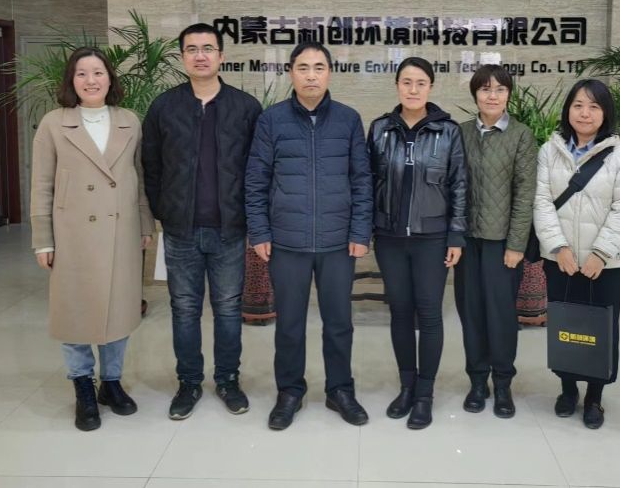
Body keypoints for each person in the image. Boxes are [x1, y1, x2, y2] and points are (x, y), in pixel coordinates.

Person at [245, 40, 373, 431]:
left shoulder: (348, 119)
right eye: (303, 68)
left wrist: (360, 231)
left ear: (330, 73)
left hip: (338, 243)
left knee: (339, 323)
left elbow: (362, 180)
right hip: (287, 242)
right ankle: (289, 391)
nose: (311, 75)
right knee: (289, 325)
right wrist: (259, 231)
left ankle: (340, 390)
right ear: (291, 73)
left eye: (319, 67)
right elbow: (256, 180)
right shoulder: (271, 120)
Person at [142, 23, 262, 420]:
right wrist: (164, 210)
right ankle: (189, 382)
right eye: (191, 49)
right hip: (181, 231)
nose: (200, 55)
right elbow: (151, 166)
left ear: (221, 56)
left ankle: (228, 380)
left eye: (208, 48)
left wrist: (252, 219)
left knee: (228, 309)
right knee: (184, 309)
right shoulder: (164, 107)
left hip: (230, 230)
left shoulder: (245, 107)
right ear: (182, 57)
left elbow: (257, 170)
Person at [31, 47, 154, 431]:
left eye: (98, 72)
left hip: (121, 229)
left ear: (110, 78)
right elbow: (42, 184)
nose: (91, 80)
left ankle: (111, 382)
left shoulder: (129, 121)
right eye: (82, 73)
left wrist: (145, 224)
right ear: (71, 80)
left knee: (119, 310)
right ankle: (83, 385)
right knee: (75, 310)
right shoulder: (54, 123)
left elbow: (138, 178)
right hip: (73, 233)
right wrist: (43, 239)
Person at [533, 78, 620, 430]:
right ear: (568, 109)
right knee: (565, 326)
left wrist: (601, 252)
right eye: (578, 105)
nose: (585, 113)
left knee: (601, 328)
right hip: (560, 261)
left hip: (604, 265)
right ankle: (567, 390)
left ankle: (595, 396)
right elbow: (541, 202)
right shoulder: (549, 152)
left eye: (594, 106)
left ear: (605, 113)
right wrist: (558, 247)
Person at [366, 57, 467, 430]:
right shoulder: (380, 129)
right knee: (400, 313)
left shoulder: (448, 132)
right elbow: (367, 182)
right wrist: (366, 229)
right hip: (390, 237)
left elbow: (459, 186)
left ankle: (425, 394)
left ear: (430, 87)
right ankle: (407, 387)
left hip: (432, 238)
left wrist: (455, 235)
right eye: (406, 82)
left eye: (420, 83)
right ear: (397, 85)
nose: (413, 89)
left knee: (429, 314)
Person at [456, 65, 537, 418]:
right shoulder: (460, 133)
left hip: (502, 245)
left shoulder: (521, 136)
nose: (492, 95)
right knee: (471, 313)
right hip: (466, 242)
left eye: (500, 89)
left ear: (509, 95)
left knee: (501, 317)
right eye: (485, 89)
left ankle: (503, 383)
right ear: (475, 94)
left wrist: (516, 244)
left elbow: (525, 194)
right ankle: (477, 381)